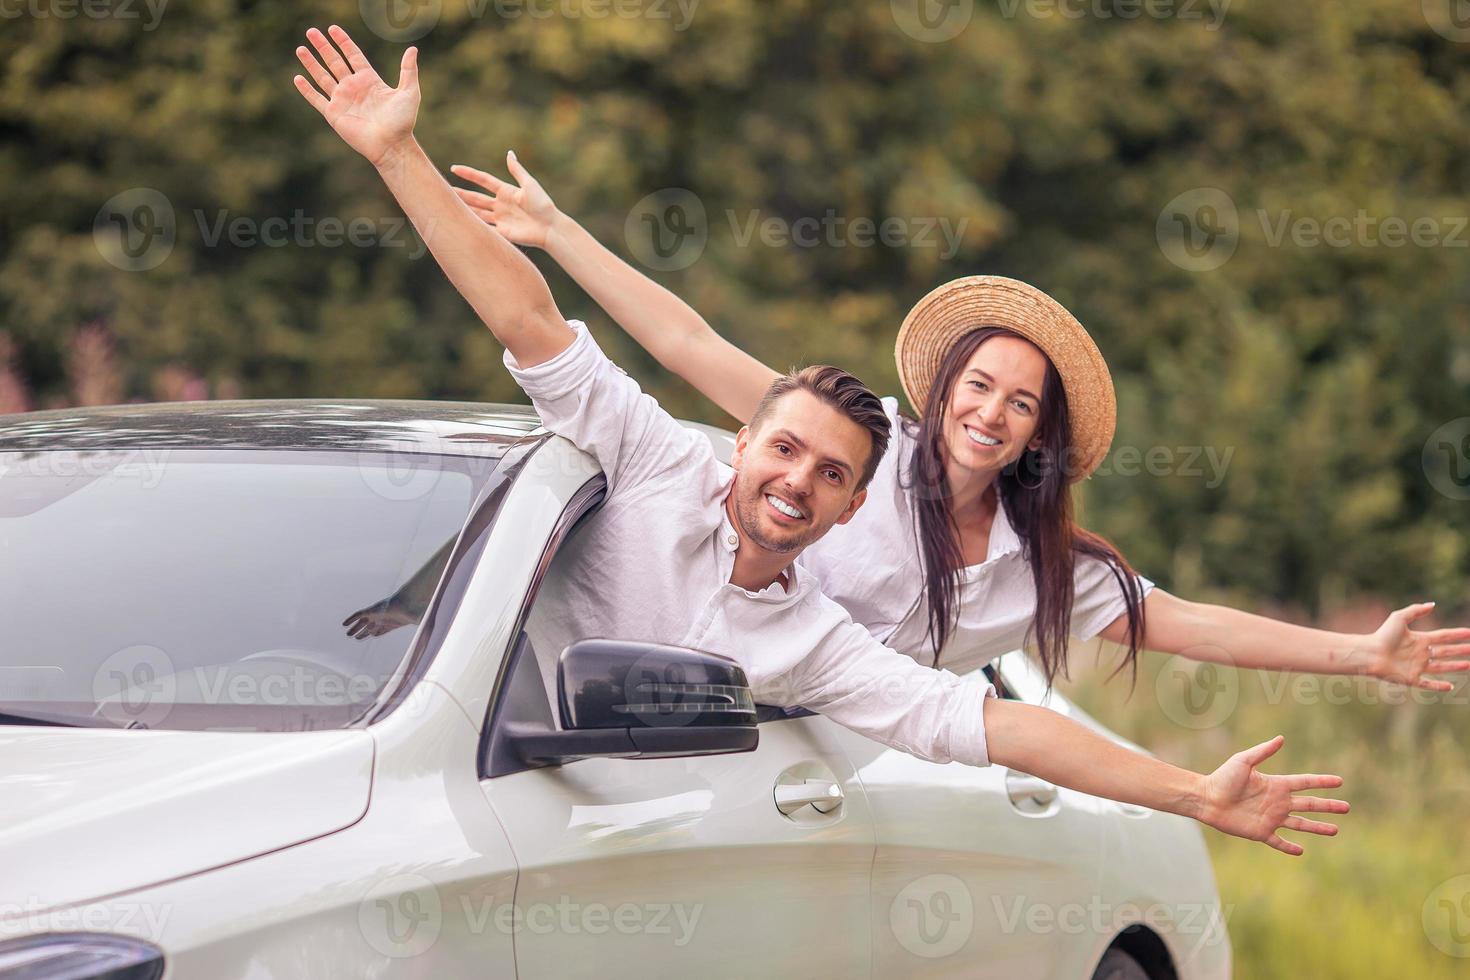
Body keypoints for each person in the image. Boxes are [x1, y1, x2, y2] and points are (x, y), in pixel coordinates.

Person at [294, 24, 1350, 855]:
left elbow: (1015, 717)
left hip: (647, 815)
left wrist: (1196, 787)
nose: (799, 478)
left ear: (857, 502)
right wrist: (405, 159)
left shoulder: (822, 636)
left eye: (832, 474)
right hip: (419, 739)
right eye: (977, 383)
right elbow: (571, 327)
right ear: (742, 442)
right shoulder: (663, 460)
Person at [448, 153, 1470, 697]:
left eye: (1021, 403)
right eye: (979, 385)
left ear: (1038, 436)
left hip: (830, 763)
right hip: (671, 693)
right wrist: (559, 232)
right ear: (943, 390)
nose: (991, 412)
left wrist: (1359, 655)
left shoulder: (1042, 565)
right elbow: (687, 340)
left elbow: (1191, 623)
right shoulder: (853, 454)